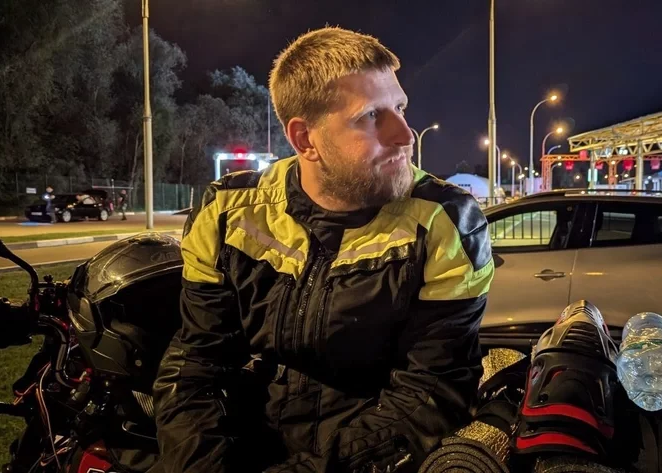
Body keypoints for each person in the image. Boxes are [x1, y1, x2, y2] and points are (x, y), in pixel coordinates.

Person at [152, 27, 495, 473]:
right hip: (244, 447)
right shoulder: (227, 211)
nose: (405, 135)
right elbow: (196, 363)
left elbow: (430, 394)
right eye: (371, 116)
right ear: (305, 139)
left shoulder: (445, 221)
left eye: (400, 107)